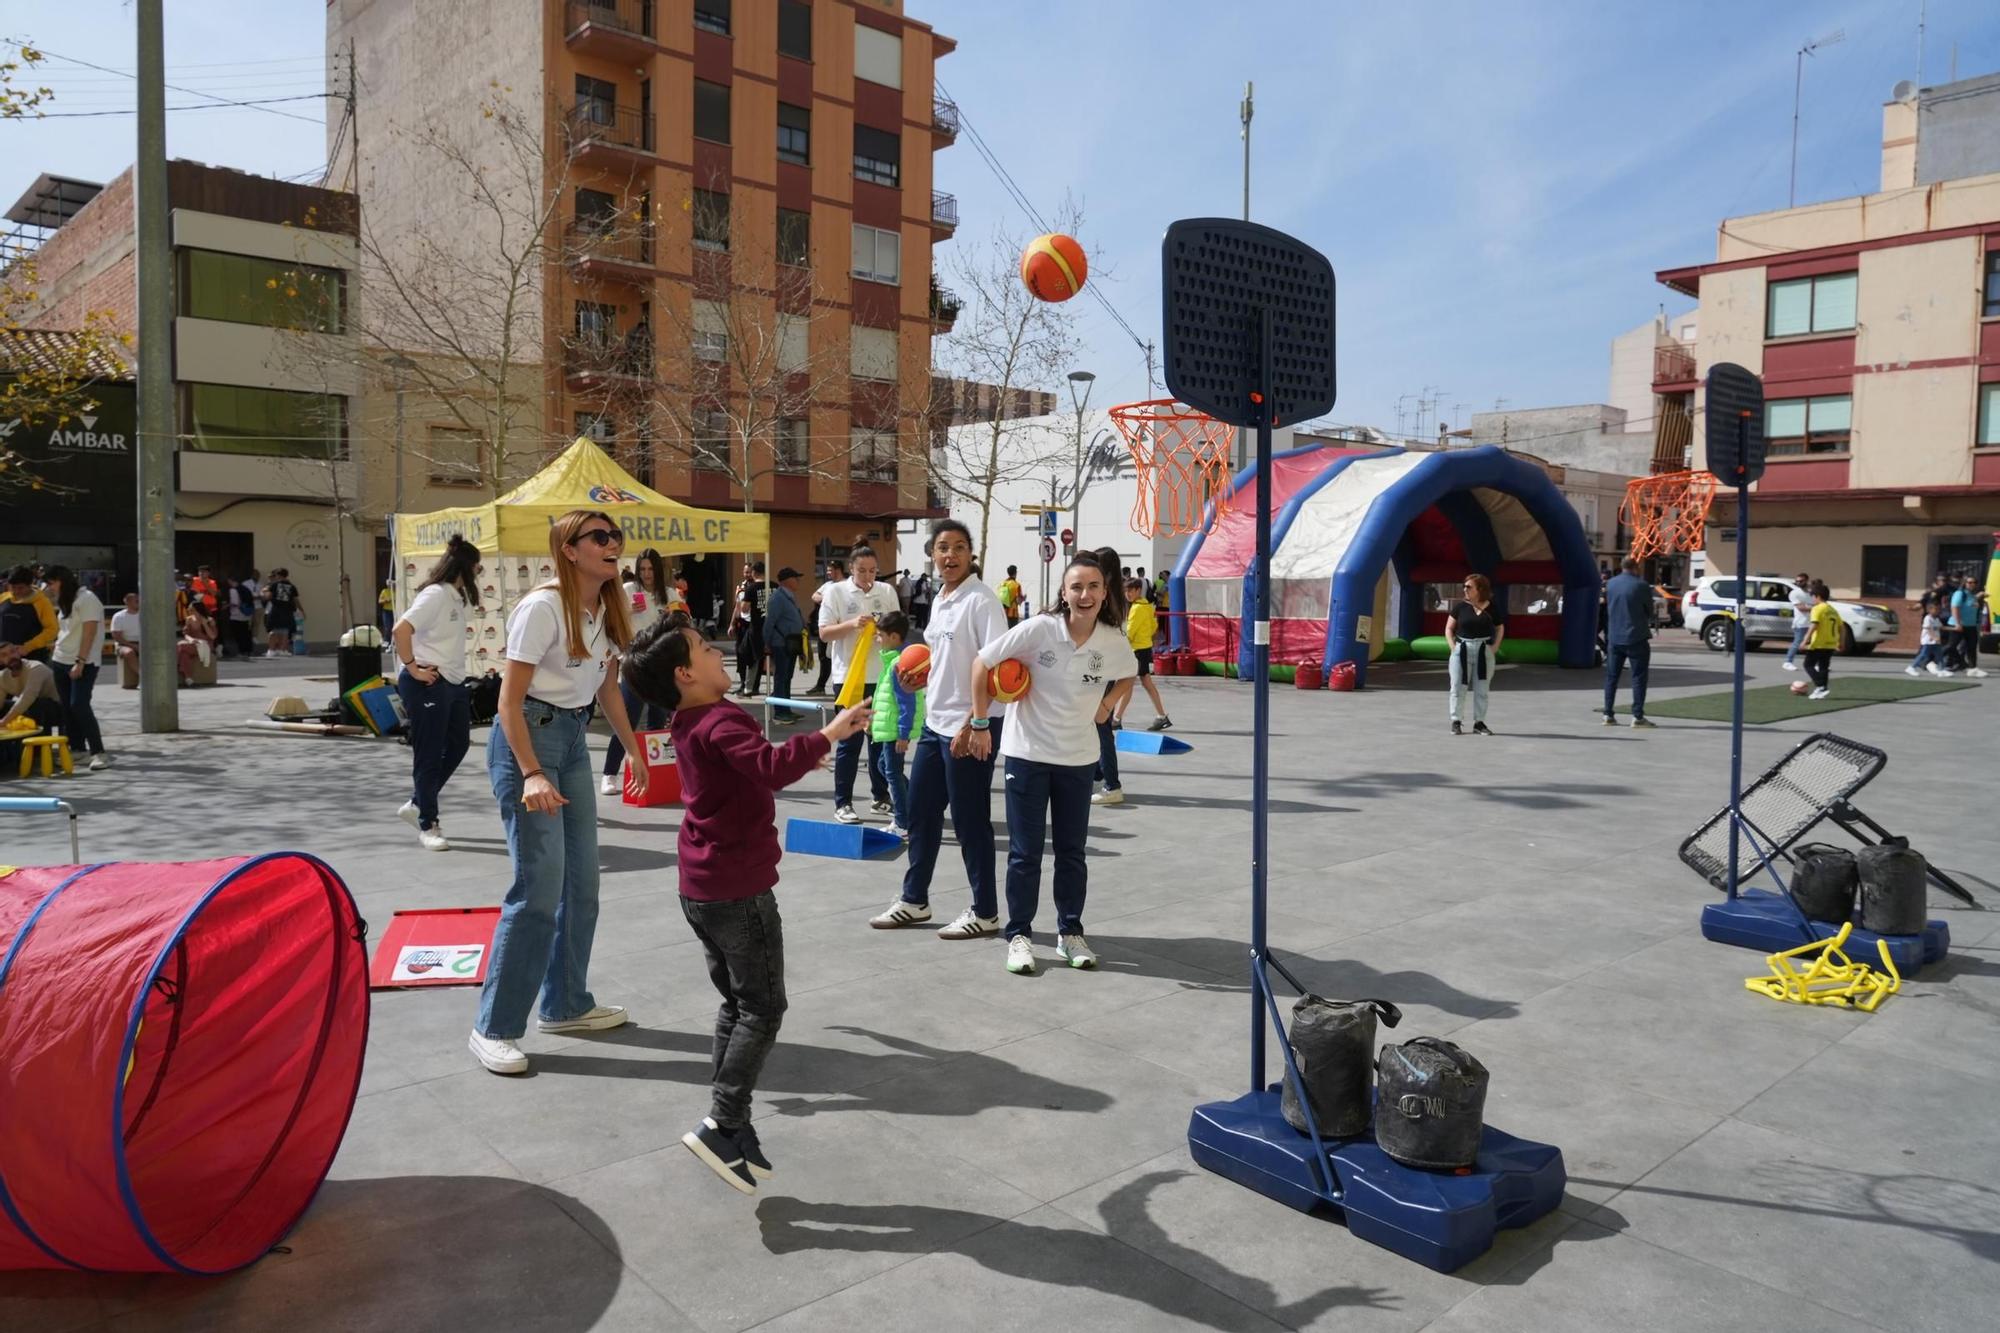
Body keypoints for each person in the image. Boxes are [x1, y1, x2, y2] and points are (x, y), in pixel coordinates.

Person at [620, 616, 870, 1190]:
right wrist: (829, 733)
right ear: (686, 674)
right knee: (763, 1007)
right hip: (737, 891)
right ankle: (722, 1123)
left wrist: (809, 748)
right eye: (707, 650)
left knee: (737, 1005)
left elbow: (752, 768)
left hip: (702, 886)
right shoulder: (719, 717)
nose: (719, 655)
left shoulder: (688, 720)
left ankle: (735, 1122)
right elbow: (771, 768)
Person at [470, 509, 648, 1076]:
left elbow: (608, 690)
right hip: (529, 741)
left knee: (583, 884)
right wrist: (530, 773)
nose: (612, 543)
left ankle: (566, 1004)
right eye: (600, 537)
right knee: (538, 892)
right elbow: (508, 701)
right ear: (568, 549)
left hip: (570, 740)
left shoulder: (610, 607)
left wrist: (634, 749)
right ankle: (493, 1027)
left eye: (615, 536)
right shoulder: (542, 607)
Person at [973, 554, 1136, 975]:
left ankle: (1070, 932)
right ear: (1063, 593)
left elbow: (1129, 673)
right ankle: (1019, 936)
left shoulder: (1110, 639)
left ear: (1104, 592)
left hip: (1078, 760)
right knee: (1025, 855)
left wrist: (1104, 710)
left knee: (1072, 853)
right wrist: (978, 722)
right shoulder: (1038, 630)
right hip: (1027, 756)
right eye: (1076, 587)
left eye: (1093, 586)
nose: (1085, 594)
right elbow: (981, 663)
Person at [869, 518, 1010, 937]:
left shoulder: (982, 602)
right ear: (932, 555)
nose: (950, 556)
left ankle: (985, 911)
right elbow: (943, 659)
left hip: (972, 725)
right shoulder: (942, 599)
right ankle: (915, 900)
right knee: (921, 814)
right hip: (936, 724)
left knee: (970, 821)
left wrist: (977, 722)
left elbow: (995, 667)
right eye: (943, 548)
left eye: (959, 548)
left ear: (971, 555)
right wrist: (921, 676)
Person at [393, 535, 482, 850]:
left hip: (453, 684)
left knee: (458, 745)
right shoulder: (435, 595)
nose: (479, 576)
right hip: (427, 682)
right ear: (466, 567)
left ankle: (418, 802)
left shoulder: (455, 597)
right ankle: (427, 824)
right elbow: (400, 631)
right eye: (477, 569)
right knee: (428, 754)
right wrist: (414, 668)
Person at [819, 545, 901, 823]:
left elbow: (898, 627)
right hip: (849, 678)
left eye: (872, 570)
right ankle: (843, 802)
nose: (868, 576)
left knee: (880, 740)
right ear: (851, 569)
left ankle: (881, 796)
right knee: (849, 744)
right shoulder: (836, 592)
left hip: (881, 677)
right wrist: (852, 624)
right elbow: (824, 633)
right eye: (862, 570)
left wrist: (884, 632)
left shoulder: (886, 592)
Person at [600, 549, 673, 792]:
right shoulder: (629, 590)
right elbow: (610, 620)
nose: (646, 574)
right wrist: (628, 609)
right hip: (633, 664)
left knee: (658, 722)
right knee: (626, 720)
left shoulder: (669, 595)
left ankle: (654, 777)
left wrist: (676, 615)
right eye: (642, 569)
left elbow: (682, 626)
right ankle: (609, 774)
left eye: (651, 569)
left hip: (660, 667)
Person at [41, 565, 108, 770]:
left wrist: (80, 661)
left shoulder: (87, 599)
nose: (49, 588)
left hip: (83, 662)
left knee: (79, 704)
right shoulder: (66, 600)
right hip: (61, 659)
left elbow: (89, 633)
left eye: (51, 583)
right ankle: (78, 749)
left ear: (61, 580)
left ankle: (99, 752)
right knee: (67, 707)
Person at [868, 610, 924, 839]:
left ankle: (903, 822)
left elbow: (906, 701)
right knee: (886, 768)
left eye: (879, 635)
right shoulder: (894, 659)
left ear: (893, 636)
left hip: (894, 729)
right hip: (889, 726)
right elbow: (885, 695)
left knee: (892, 772)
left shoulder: (899, 664)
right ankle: (916, 802)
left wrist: (903, 733)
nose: (877, 639)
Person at [1087, 547, 1132, 807]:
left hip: (1101, 667)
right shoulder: (1117, 595)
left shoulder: (1106, 598)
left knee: (1101, 726)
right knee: (1096, 726)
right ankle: (1098, 774)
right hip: (1107, 667)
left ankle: (1112, 784)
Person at [1444, 573, 1506, 736]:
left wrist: (1494, 648)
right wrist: (1453, 647)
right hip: (1462, 649)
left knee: (1482, 689)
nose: (1465, 589)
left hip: (1483, 651)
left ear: (1480, 589)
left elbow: (1500, 628)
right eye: (1464, 586)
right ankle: (1456, 721)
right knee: (1457, 686)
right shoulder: (1460, 607)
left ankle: (1479, 723)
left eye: (1469, 586)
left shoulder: (1492, 607)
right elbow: (1449, 628)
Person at [1601, 557, 1657, 729]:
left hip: (1615, 637)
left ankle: (1608, 714)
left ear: (1621, 567)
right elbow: (1649, 610)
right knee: (1638, 677)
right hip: (1636, 637)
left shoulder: (1610, 584)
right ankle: (1637, 716)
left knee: (1612, 677)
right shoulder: (1641, 586)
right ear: (1636, 567)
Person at [1114, 576, 1172, 732]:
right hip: (1144, 648)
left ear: (1138, 590)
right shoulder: (1147, 606)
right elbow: (1154, 626)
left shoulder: (1137, 608)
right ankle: (1161, 716)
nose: (1127, 594)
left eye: (1130, 591)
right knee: (1145, 682)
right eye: (1126, 591)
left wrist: (1119, 643)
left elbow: (1130, 631)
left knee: (1128, 684)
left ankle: (1117, 719)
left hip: (1137, 650)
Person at [764, 566, 807, 724]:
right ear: (787, 580)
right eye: (795, 578)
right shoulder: (777, 598)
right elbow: (769, 622)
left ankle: (786, 709)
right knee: (781, 678)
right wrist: (766, 643)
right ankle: (780, 713)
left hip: (790, 643)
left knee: (787, 677)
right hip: (780, 643)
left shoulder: (788, 596)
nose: (798, 581)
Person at [1, 566, 59, 665]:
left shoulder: (42, 602)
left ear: (30, 585)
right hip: (3, 659)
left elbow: (52, 629)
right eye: (13, 587)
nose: (16, 591)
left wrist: (28, 647)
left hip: (31, 659)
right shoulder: (4, 598)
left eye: (20, 588)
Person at [0, 642, 63, 732]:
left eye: (12, 652)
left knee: (36, 704)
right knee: (5, 707)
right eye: (4, 655)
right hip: (32, 708)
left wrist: (4, 721)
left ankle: (40, 743)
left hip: (57, 709)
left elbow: (27, 697)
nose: (11, 656)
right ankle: (8, 743)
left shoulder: (36, 668)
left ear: (18, 652)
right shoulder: (2, 677)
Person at [807, 558, 845, 695]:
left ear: (838, 570)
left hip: (838, 627)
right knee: (824, 657)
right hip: (824, 627)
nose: (828, 573)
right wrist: (827, 599)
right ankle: (820, 685)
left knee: (835, 657)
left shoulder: (845, 585)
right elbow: (814, 596)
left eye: (830, 570)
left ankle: (836, 685)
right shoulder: (828, 585)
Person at [733, 562, 766, 697]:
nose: (747, 574)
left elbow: (747, 607)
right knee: (740, 654)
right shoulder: (741, 587)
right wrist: (732, 623)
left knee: (754, 656)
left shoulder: (756, 588)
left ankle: (753, 686)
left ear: (754, 573)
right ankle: (743, 684)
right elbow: (738, 607)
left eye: (749, 572)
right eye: (745, 572)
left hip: (753, 625)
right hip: (742, 624)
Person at [1802, 581, 1839, 700]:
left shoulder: (1817, 608)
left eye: (1812, 596)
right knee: (1823, 666)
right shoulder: (1832, 609)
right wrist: (1841, 642)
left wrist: (1805, 640)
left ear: (1817, 596)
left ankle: (1820, 686)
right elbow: (1841, 627)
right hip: (1831, 643)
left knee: (1808, 665)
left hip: (1819, 643)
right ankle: (1822, 690)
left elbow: (1814, 625)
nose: (1812, 599)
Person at [1949, 574, 1989, 678]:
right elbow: (1954, 608)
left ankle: (1973, 668)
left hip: (1971, 626)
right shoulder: (1959, 593)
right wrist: (1958, 623)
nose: (1972, 584)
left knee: (1971, 647)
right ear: (1964, 583)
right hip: (1958, 624)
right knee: (1951, 646)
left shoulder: (1972, 596)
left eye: (1974, 582)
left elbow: (1971, 605)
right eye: (1969, 582)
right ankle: (1932, 661)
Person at [1907, 594, 1953, 678]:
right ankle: (1911, 667)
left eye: (1939, 609)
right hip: (1928, 641)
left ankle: (1941, 670)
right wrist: (1933, 637)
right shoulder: (1927, 618)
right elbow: (1928, 629)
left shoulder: (1936, 619)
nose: (1938, 610)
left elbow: (1941, 627)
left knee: (1939, 655)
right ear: (1929, 610)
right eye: (1936, 609)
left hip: (1935, 642)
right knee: (1923, 655)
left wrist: (1954, 628)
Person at [177, 597, 219, 686]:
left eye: (192, 610)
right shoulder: (189, 619)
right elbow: (186, 634)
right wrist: (191, 639)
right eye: (189, 610)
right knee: (184, 654)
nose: (190, 612)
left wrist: (205, 624)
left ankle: (182, 672)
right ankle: (188, 678)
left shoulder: (210, 620)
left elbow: (213, 636)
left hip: (205, 644)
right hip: (193, 643)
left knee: (181, 647)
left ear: (199, 610)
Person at [263, 568, 300, 657]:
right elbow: (295, 600)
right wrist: (301, 610)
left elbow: (268, 597)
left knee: (273, 630)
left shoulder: (274, 585)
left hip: (276, 609)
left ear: (278, 575)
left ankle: (271, 650)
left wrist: (264, 592)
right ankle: (282, 650)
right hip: (287, 610)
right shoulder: (292, 586)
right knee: (285, 631)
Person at [1781, 571, 1813, 672]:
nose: (1798, 583)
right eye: (1797, 581)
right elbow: (1801, 608)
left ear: (1807, 580)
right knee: (1797, 643)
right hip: (1801, 623)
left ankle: (1814, 663)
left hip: (1812, 622)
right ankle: (1788, 662)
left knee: (1814, 643)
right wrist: (1816, 608)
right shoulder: (1795, 593)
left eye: (1801, 581)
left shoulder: (1812, 593)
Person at [110, 592, 142, 687]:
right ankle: (143, 677)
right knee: (129, 653)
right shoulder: (119, 616)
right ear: (127, 602)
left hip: (143, 643)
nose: (139, 602)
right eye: (136, 600)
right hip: (124, 644)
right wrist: (134, 646)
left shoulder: (145, 615)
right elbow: (117, 637)